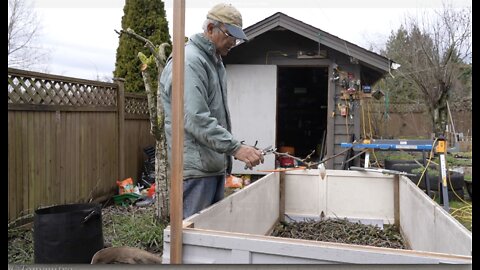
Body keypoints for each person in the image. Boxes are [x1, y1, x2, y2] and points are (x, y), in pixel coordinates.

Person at [160, 3, 264, 219]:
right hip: (195, 171)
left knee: (209, 237)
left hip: (210, 166)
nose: (233, 43)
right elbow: (195, 118)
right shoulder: (190, 62)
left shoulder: (213, 62)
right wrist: (236, 148)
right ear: (210, 29)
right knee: (193, 241)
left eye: (236, 38)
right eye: (229, 36)